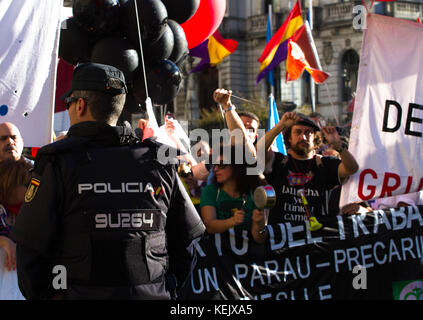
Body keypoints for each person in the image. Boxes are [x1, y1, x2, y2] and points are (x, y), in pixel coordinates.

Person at [10, 63, 205, 300]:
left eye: (69, 102)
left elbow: (31, 251)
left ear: (80, 105)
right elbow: (186, 243)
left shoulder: (57, 162)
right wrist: (166, 289)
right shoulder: (159, 161)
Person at [259, 112, 359, 225]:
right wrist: (280, 126)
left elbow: (352, 168)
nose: (303, 137)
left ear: (315, 138)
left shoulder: (325, 164)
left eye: (308, 133)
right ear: (289, 138)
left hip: (316, 238)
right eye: (298, 132)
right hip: (283, 238)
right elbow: (258, 151)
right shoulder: (279, 162)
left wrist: (339, 147)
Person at [200, 144, 268, 244]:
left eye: (222, 164)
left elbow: (260, 239)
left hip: (246, 256)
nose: (215, 169)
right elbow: (209, 226)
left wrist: (259, 223)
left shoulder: (255, 194)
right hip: (218, 256)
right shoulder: (210, 191)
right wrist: (232, 221)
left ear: (237, 166)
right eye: (215, 165)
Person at [0, 158, 32, 272]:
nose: (31, 188)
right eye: (26, 184)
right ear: (10, 185)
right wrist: (3, 240)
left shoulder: (34, 209)